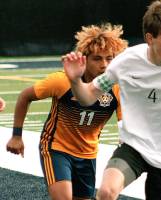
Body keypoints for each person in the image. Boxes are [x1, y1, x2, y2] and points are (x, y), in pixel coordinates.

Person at [63, 1, 161, 200]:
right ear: (150, 38)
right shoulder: (126, 61)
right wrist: (75, 81)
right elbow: (88, 97)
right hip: (134, 146)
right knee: (106, 192)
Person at [6, 23, 128, 200]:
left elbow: (125, 125)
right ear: (84, 59)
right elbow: (25, 96)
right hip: (56, 148)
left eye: (109, 58)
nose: (104, 65)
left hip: (88, 154)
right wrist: (16, 135)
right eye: (97, 59)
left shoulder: (117, 87)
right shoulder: (62, 81)